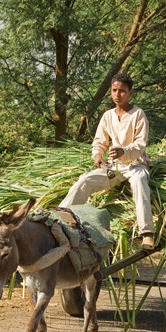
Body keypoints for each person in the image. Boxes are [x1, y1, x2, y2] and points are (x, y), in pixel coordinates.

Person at [59, 72, 155, 250]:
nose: (118, 95)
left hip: (135, 164)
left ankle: (147, 232)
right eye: (114, 90)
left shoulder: (138, 114)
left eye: (122, 91)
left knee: (140, 181)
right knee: (85, 180)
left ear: (130, 93)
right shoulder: (108, 116)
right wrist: (97, 157)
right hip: (115, 166)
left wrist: (123, 150)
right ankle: (61, 216)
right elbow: (99, 142)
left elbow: (140, 145)